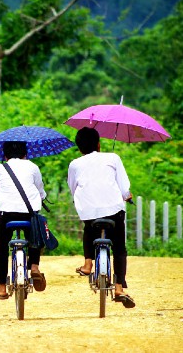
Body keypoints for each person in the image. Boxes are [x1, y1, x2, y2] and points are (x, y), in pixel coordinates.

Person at [67, 127, 136, 308]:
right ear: (98, 144)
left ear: (79, 148)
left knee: (89, 229)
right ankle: (119, 287)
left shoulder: (74, 164)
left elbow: (73, 188)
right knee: (119, 248)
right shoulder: (113, 158)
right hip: (114, 211)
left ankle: (87, 264)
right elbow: (124, 187)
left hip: (89, 212)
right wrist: (127, 195)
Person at [0, 141, 48, 300]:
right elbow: (40, 190)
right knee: (35, 238)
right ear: (25, 154)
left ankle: (1, 286)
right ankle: (34, 267)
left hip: (7, 214)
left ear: (5, 155)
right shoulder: (33, 167)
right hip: (29, 213)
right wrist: (42, 197)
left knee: (1, 246)